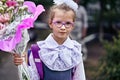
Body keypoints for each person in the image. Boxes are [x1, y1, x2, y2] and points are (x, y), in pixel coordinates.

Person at [13, 0, 86, 80]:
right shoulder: (38, 51)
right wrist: (22, 64)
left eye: (68, 23)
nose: (63, 27)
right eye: (58, 22)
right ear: (50, 23)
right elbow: (32, 78)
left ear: (73, 26)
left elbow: (80, 78)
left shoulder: (75, 51)